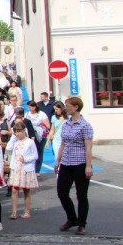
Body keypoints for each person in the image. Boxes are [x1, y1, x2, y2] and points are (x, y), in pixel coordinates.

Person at [55, 96, 93, 235]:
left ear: (76, 107)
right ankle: (72, 218)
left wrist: (89, 166)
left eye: (68, 106)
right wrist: (58, 161)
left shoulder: (85, 126)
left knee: (81, 195)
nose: (66, 108)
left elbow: (88, 147)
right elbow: (63, 143)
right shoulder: (66, 124)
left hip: (80, 162)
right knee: (62, 192)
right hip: (66, 162)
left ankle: (82, 224)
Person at [7, 121, 38, 220]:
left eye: (19, 131)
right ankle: (14, 211)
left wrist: (25, 159)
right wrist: (13, 137)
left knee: (26, 190)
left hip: (25, 168)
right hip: (16, 167)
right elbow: (8, 147)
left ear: (24, 131)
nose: (17, 134)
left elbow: (35, 155)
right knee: (14, 190)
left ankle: (27, 211)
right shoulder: (15, 141)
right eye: (16, 132)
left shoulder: (30, 142)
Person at [25, 100, 51, 174]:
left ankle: (37, 170)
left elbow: (48, 126)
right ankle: (31, 169)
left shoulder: (42, 114)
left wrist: (40, 126)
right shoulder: (27, 114)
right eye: (28, 107)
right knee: (30, 152)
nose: (29, 109)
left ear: (35, 107)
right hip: (30, 135)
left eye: (30, 107)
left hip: (40, 135)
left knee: (39, 152)